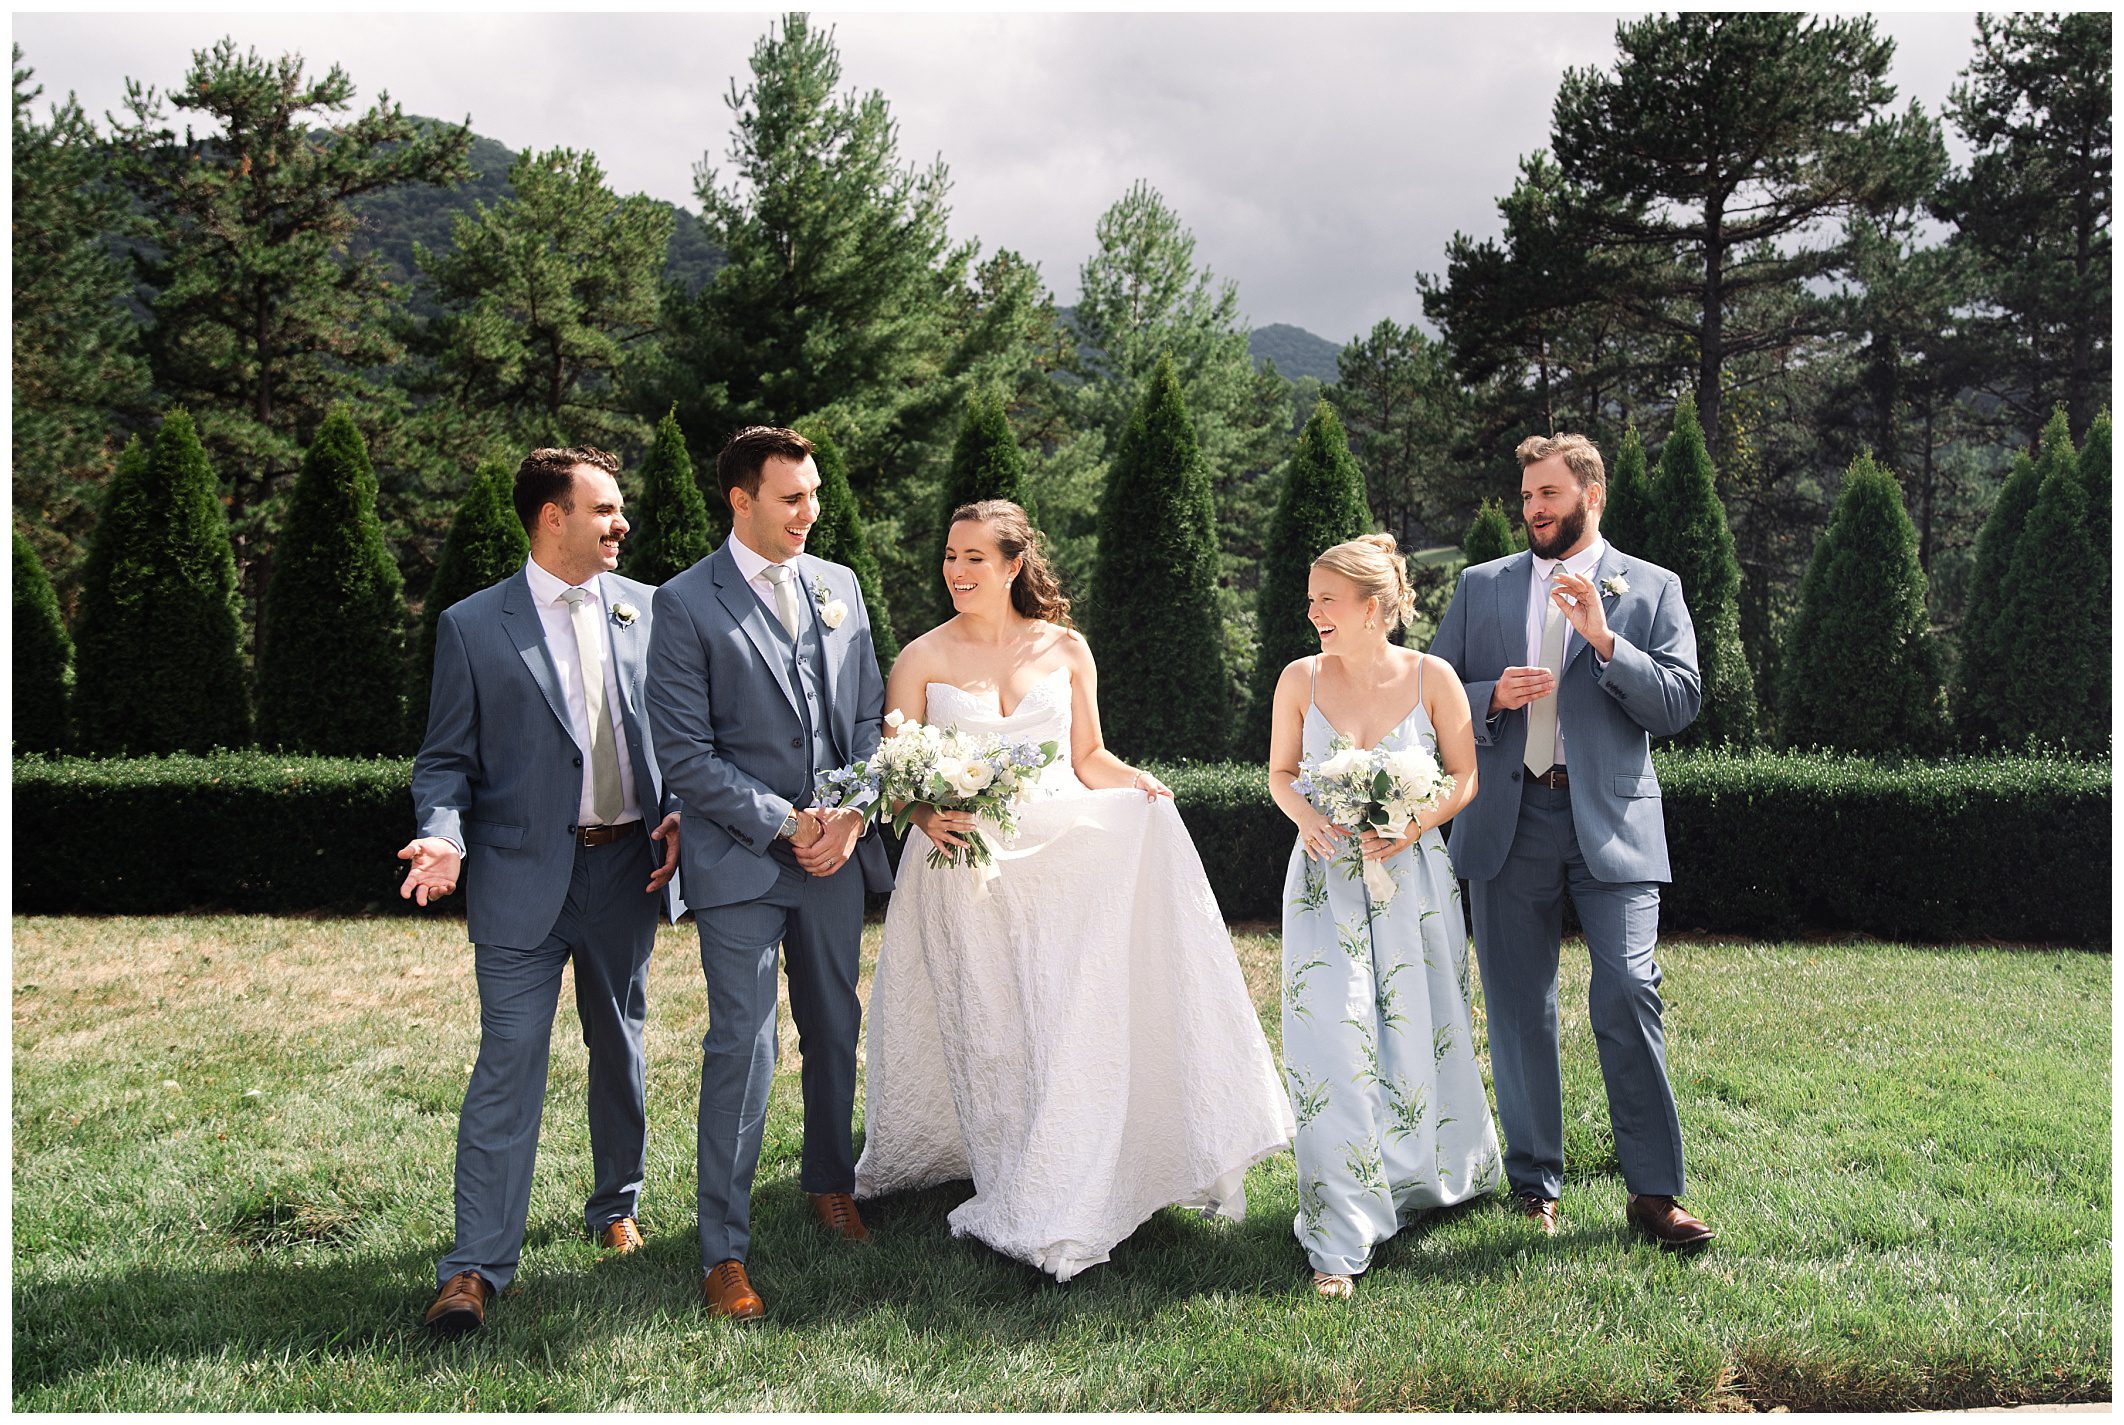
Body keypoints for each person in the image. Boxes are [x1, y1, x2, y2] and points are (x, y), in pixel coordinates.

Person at [854, 500, 1292, 1282]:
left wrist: (1140, 784)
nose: (955, 571)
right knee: (991, 1023)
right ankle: (1013, 1166)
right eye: (950, 556)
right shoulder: (920, 656)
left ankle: (1075, 1168)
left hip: (1063, 859)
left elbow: (1089, 755)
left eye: (974, 558)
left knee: (1063, 1016)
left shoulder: (1067, 648)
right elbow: (893, 779)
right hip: (967, 864)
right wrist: (926, 812)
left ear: (1014, 564)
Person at [399, 446, 682, 1337]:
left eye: (621, 509)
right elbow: (445, 759)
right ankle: (475, 1267)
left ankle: (615, 1204)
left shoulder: (651, 610)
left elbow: (675, 734)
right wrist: (443, 836)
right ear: (551, 517)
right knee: (509, 1062)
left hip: (625, 869)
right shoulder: (473, 625)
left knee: (620, 1047)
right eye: (603, 509)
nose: (620, 524)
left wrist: (677, 813)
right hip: (521, 880)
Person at [1429, 432, 1714, 1250]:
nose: (1533, 510)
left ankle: (1656, 1194)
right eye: (1526, 497)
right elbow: (1428, 690)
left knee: (1627, 988)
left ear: (1592, 494)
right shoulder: (1482, 587)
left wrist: (1605, 642)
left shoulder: (1651, 588)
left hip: (1613, 825)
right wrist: (1489, 696)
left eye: (1548, 495)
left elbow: (1681, 701)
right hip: (1506, 823)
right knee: (1520, 1011)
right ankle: (1535, 1185)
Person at [643, 425, 893, 1321]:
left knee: (835, 1022)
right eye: (792, 497)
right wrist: (789, 822)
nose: (810, 513)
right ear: (740, 500)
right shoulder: (682, 603)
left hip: (835, 854)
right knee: (740, 1047)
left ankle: (830, 1181)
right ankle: (724, 1249)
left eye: (815, 493)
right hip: (743, 859)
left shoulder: (840, 586)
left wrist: (854, 813)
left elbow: (869, 718)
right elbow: (687, 753)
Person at [1266, 534, 1502, 1300]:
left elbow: (1465, 775)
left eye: (1324, 600)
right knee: (1332, 1038)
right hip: (1323, 885)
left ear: (1373, 607)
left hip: (1414, 884)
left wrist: (1415, 823)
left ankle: (1415, 1176)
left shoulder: (1433, 677)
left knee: (1413, 1032)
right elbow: (1277, 772)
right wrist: (1304, 814)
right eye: (1310, 600)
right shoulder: (1297, 680)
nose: (1313, 614)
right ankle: (1339, 1231)